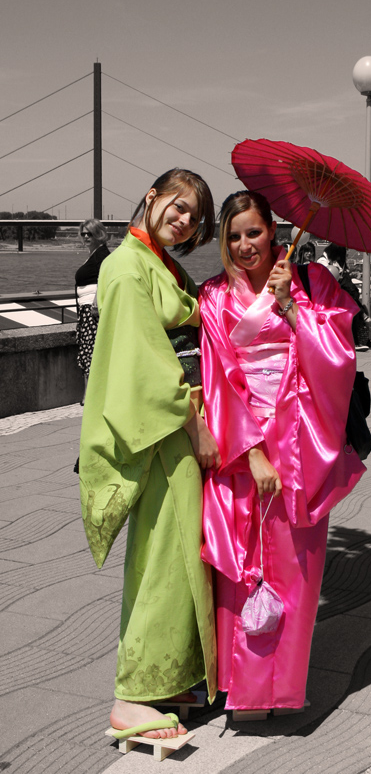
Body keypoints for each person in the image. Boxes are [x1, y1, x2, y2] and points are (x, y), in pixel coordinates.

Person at [198, 191, 365, 719]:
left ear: (273, 232)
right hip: (242, 444)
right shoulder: (214, 296)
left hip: (300, 439)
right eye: (235, 235)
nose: (246, 245)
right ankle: (240, 685)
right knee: (241, 565)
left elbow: (339, 360)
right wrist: (251, 454)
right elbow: (218, 382)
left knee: (295, 569)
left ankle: (282, 688)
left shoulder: (315, 284)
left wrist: (292, 306)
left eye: (254, 232)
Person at [78, 169, 219, 741]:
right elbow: (143, 360)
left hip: (175, 430)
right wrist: (196, 423)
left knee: (182, 556)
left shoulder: (159, 262)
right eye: (177, 205)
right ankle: (133, 695)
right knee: (161, 560)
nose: (182, 220)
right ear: (151, 196)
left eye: (193, 215)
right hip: (164, 431)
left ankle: (169, 676)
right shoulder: (126, 265)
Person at [75, 219, 110, 404]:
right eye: (83, 234)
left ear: (98, 234)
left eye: (90, 233)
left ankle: (89, 395)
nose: (86, 237)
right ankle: (89, 394)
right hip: (85, 311)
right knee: (87, 351)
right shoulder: (93, 255)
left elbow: (107, 278)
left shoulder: (103, 255)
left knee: (90, 352)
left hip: (92, 312)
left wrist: (96, 301)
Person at [318, 242, 371, 348]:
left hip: (342, 290)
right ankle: (361, 338)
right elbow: (329, 276)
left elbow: (341, 273)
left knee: (354, 308)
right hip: (330, 292)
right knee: (354, 304)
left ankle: (361, 341)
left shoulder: (337, 260)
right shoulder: (323, 260)